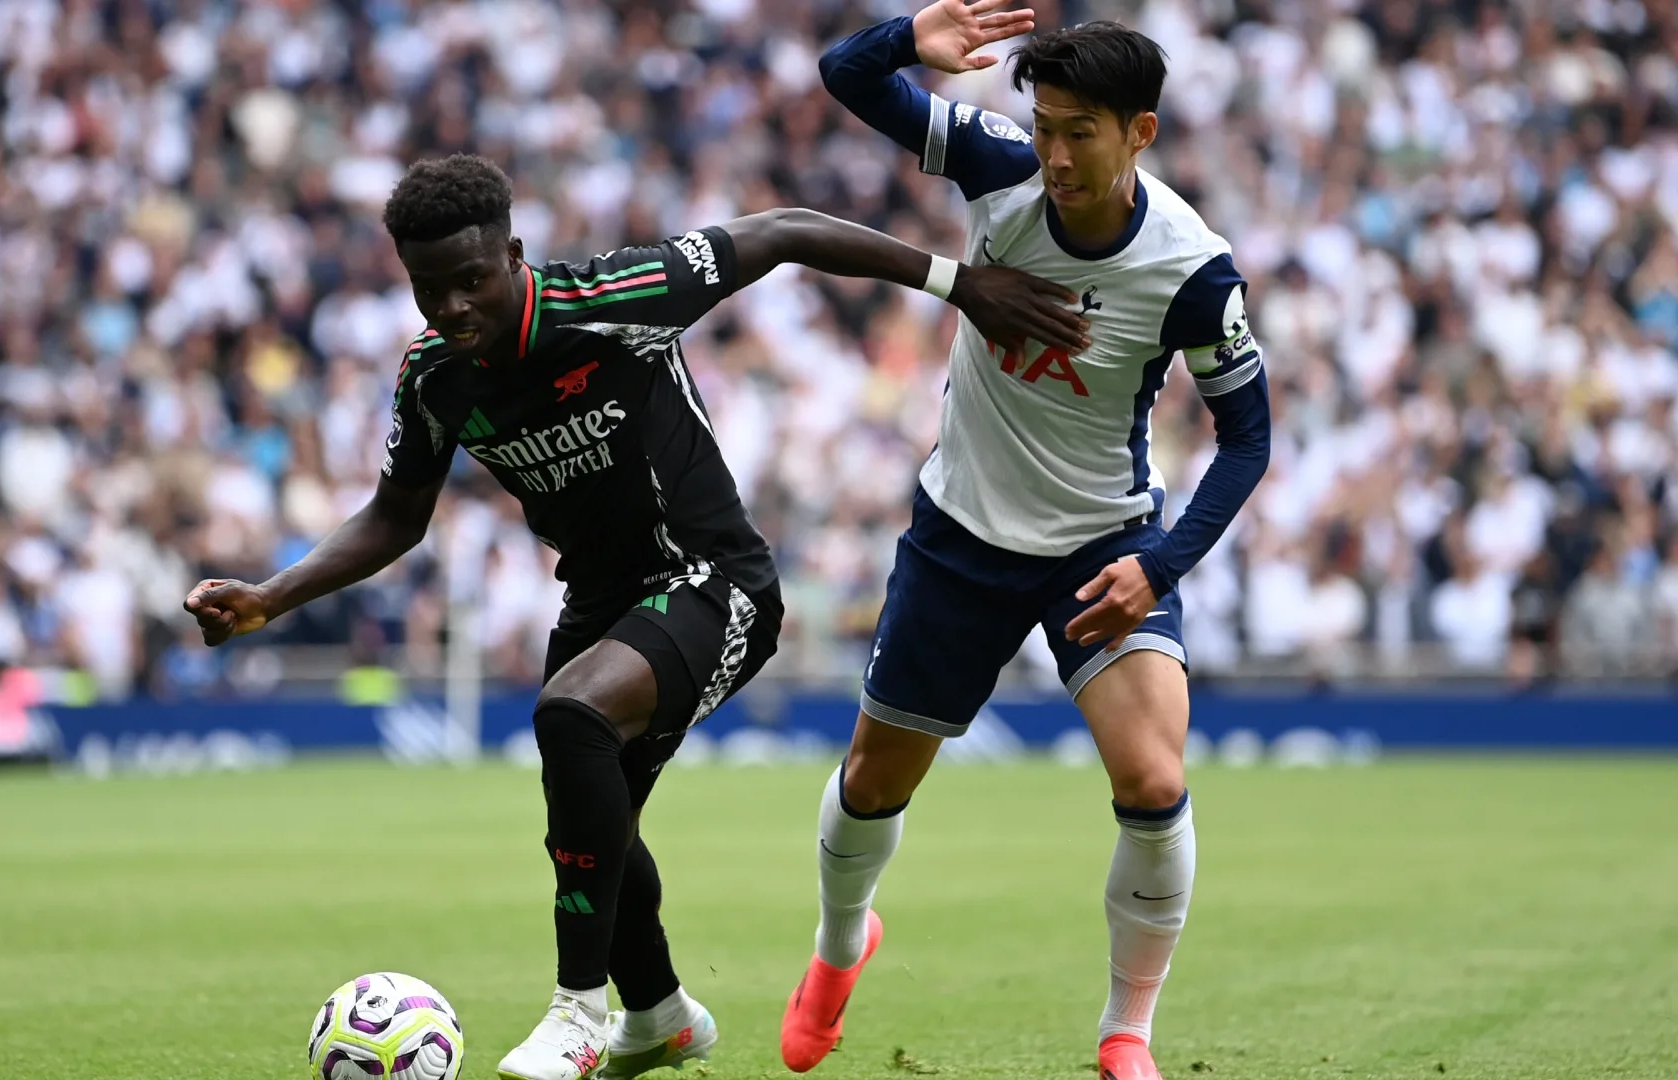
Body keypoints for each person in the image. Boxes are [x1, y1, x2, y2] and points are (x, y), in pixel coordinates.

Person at [182, 154, 1085, 1080]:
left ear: (515, 255)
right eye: (427, 287)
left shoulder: (615, 296)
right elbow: (396, 516)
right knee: (590, 831)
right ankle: (658, 1017)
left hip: (715, 579)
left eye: (471, 280)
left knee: (570, 718)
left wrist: (960, 284)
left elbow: (781, 233)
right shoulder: (433, 381)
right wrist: (269, 596)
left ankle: (578, 1012)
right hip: (602, 604)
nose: (451, 307)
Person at [784, 6, 1273, 1080]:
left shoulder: (1193, 269)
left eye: (1080, 131)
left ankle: (1126, 1032)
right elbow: (843, 74)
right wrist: (908, 35)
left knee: (1152, 780)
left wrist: (1158, 566)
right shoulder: (998, 167)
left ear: (1140, 132)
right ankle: (838, 946)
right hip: (961, 532)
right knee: (873, 783)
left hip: (1101, 543)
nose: (1053, 152)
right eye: (1044, 124)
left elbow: (1248, 441)